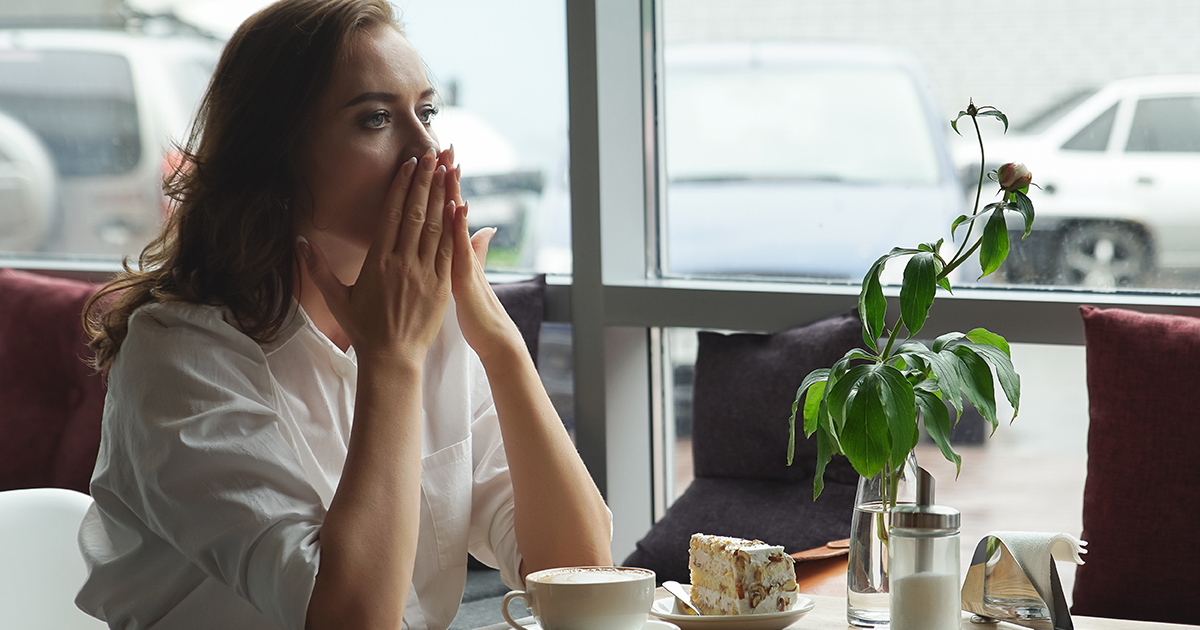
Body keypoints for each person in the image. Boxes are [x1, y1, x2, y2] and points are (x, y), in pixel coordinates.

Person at [75, 1, 612, 628]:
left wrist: (503, 350)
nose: (425, 148)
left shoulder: (432, 325)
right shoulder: (180, 358)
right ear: (276, 154)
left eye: (427, 113)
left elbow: (583, 575)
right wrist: (392, 361)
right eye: (377, 119)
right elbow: (350, 620)